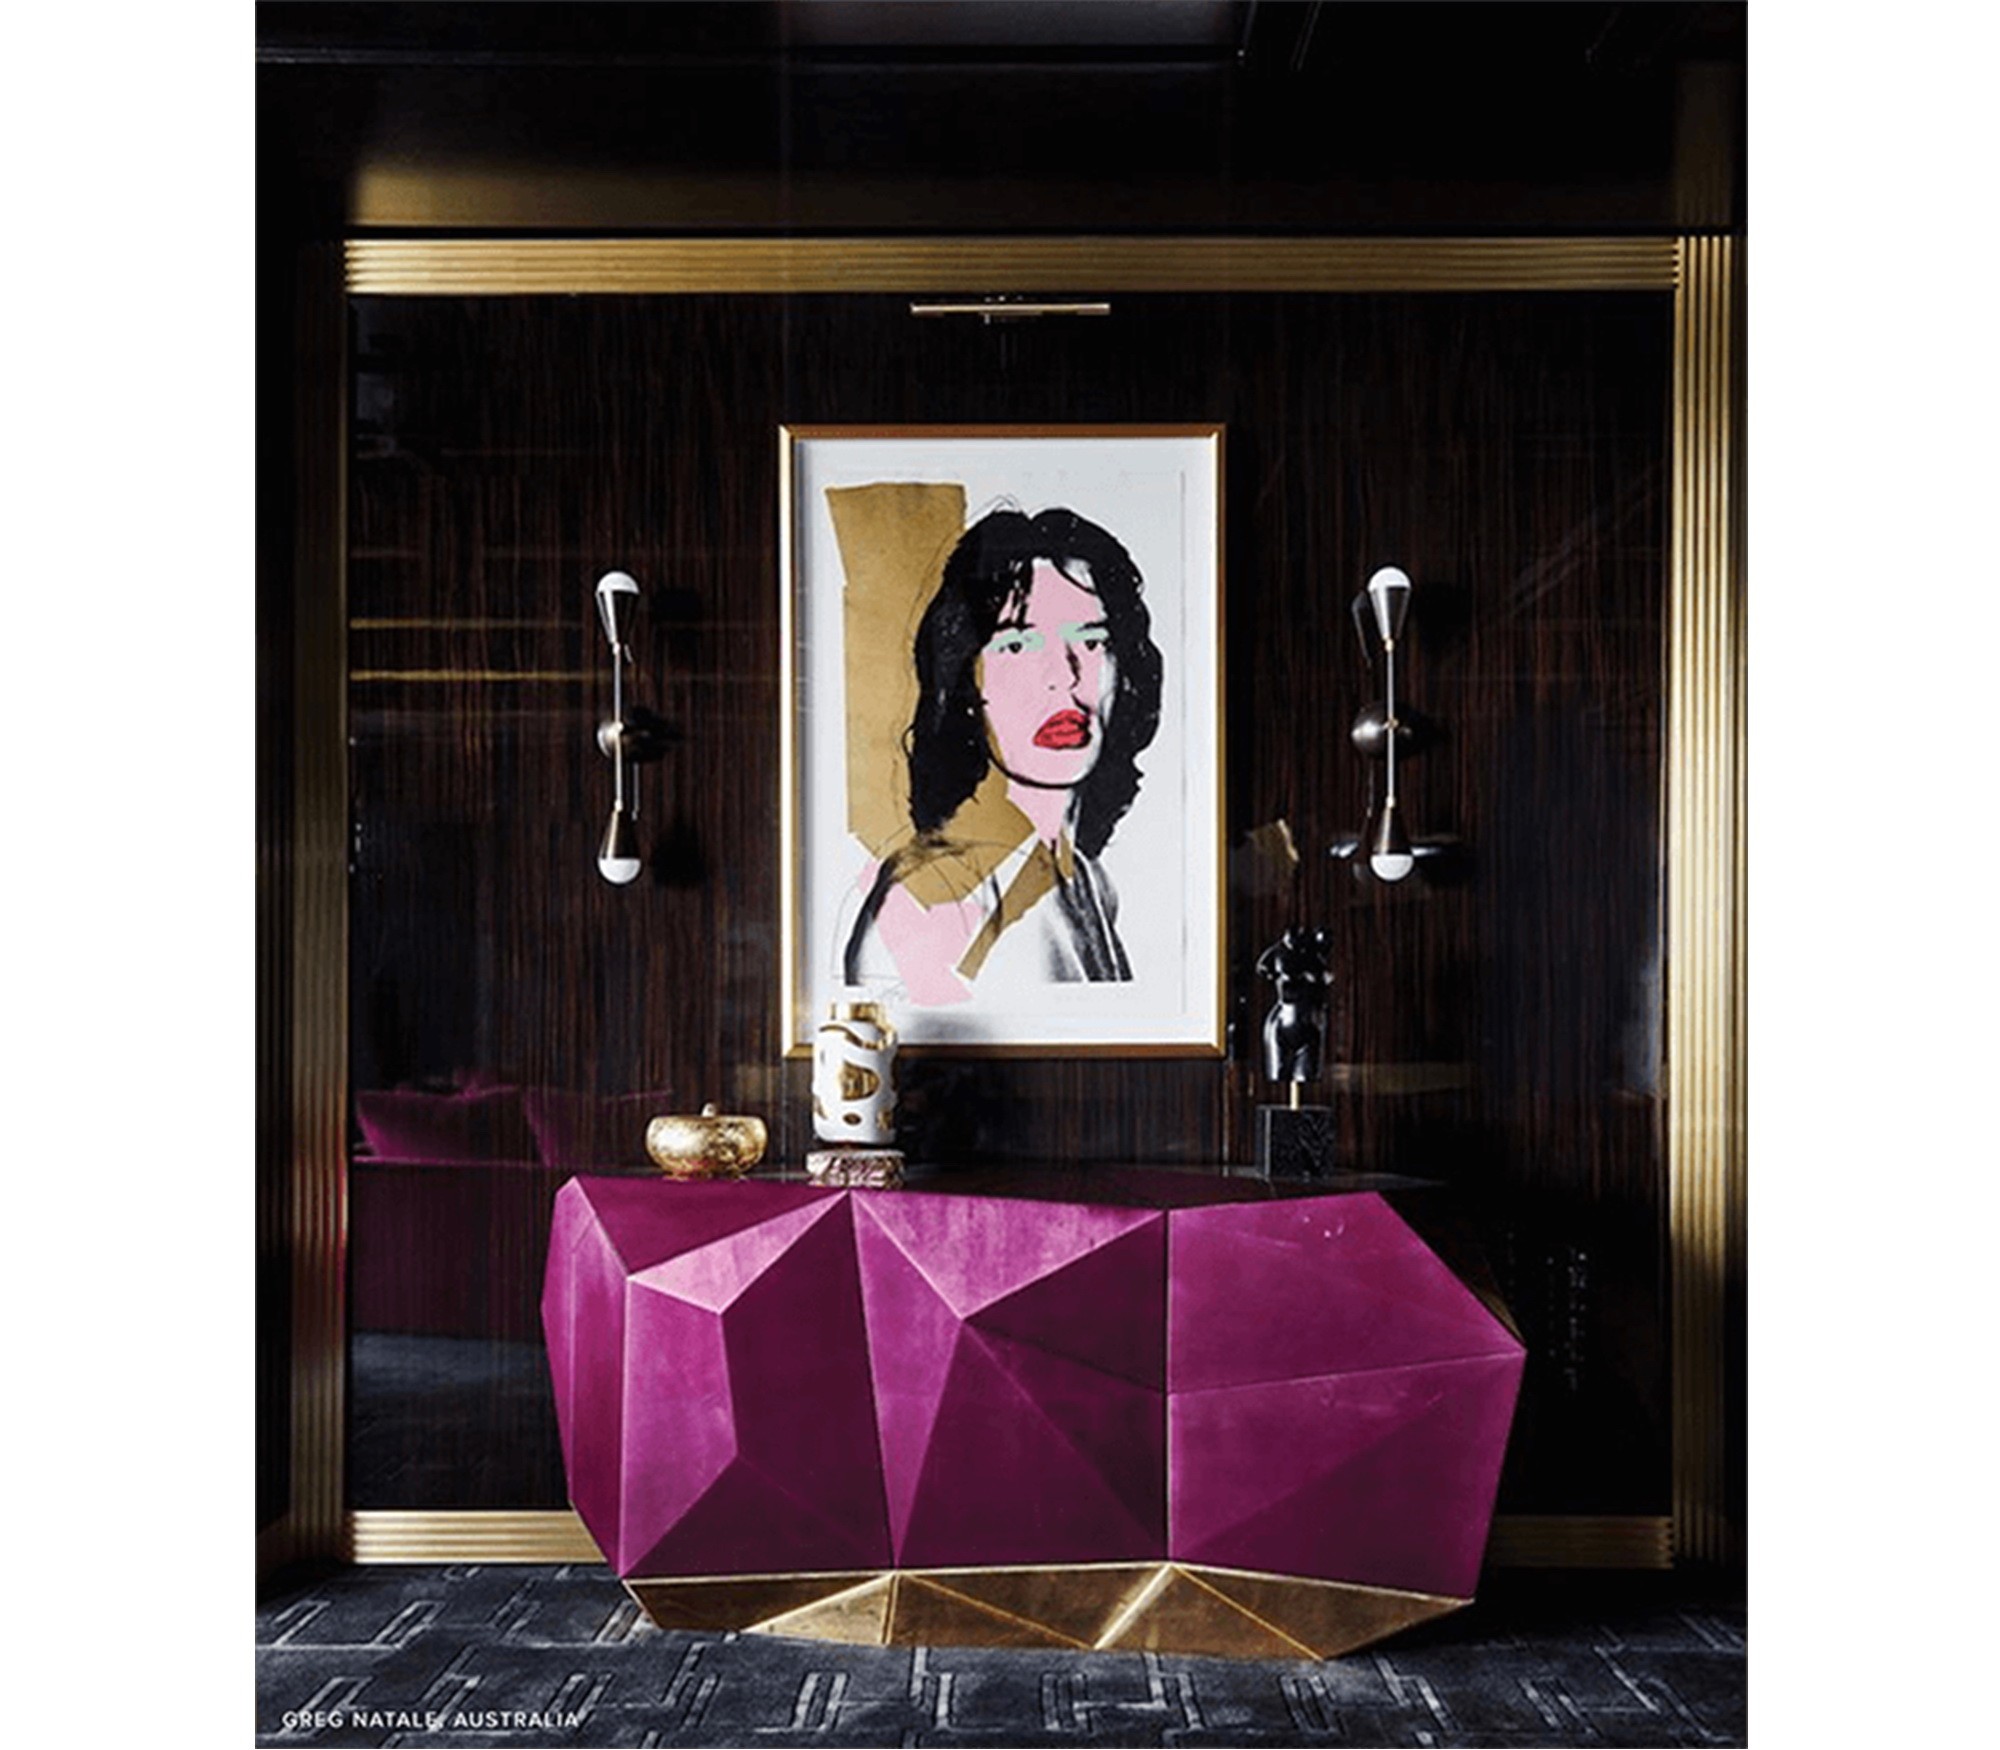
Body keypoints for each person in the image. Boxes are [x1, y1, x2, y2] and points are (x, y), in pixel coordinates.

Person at [843, 506, 1164, 1004]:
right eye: (1018, 644)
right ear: (967, 682)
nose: (1063, 675)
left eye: (1091, 639)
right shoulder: (929, 896)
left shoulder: (1088, 880)